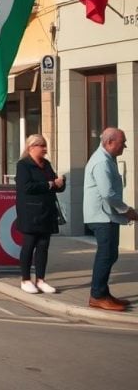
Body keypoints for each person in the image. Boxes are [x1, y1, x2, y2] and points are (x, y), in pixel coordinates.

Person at [83, 128, 138, 311]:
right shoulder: (101, 162)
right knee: (106, 254)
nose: (125, 146)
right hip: (102, 216)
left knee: (110, 254)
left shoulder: (108, 159)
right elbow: (107, 193)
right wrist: (127, 210)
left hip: (107, 216)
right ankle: (97, 295)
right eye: (123, 143)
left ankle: (103, 292)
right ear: (110, 142)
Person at [14, 134, 65, 294]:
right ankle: (25, 279)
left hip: (47, 211)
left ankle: (41, 279)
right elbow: (26, 187)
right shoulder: (23, 165)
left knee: (43, 246)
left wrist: (60, 183)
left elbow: (54, 185)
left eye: (45, 145)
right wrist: (49, 184)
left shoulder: (46, 164)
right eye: (41, 146)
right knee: (29, 245)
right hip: (30, 211)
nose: (44, 149)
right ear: (31, 147)